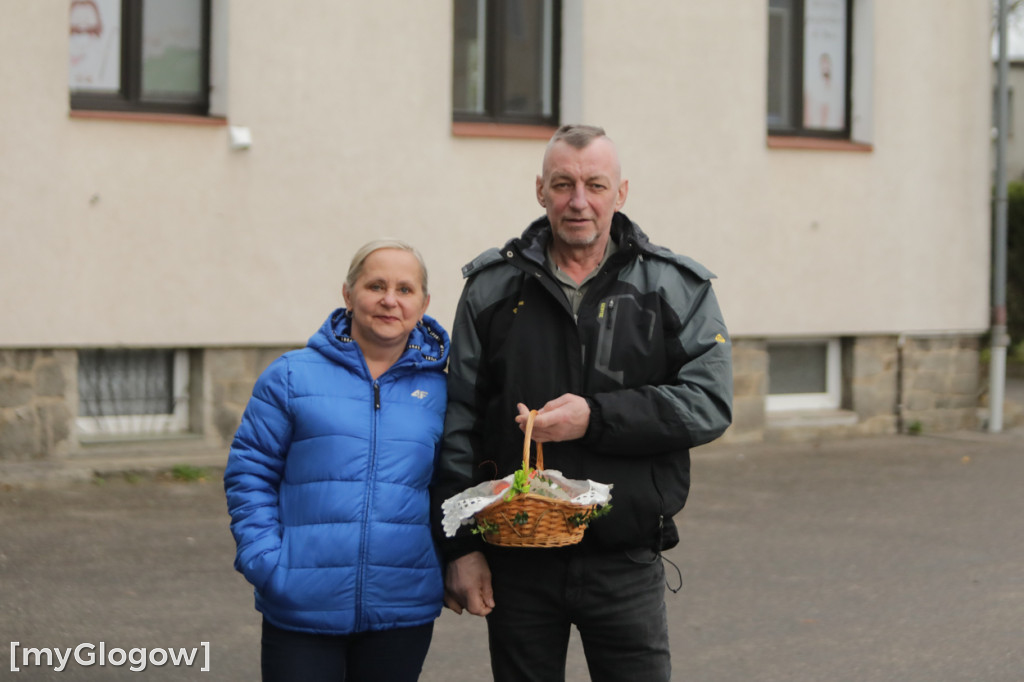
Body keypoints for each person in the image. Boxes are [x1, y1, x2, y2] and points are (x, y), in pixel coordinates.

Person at [432, 124, 733, 682]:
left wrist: (595, 419)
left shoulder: (674, 285)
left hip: (625, 556)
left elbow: (709, 402)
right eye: (563, 184)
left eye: (595, 185)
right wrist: (460, 547)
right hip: (517, 559)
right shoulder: (491, 288)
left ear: (620, 194)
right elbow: (459, 421)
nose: (578, 201)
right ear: (540, 190)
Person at [225, 240, 449, 682]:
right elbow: (250, 472)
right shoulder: (291, 376)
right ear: (348, 295)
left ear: (423, 304)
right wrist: (266, 561)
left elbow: (454, 484)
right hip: (301, 603)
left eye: (405, 290)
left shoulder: (444, 391)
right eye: (376, 285)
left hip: (401, 608)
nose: (389, 300)